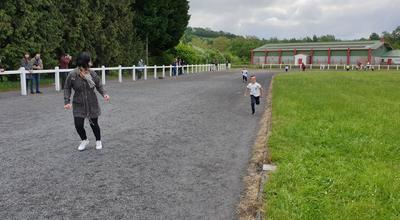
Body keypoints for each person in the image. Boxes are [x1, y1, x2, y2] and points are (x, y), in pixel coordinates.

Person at [64, 52, 110, 151]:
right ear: (85, 62)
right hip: (78, 103)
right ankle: (84, 140)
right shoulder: (73, 74)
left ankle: (98, 141)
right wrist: (67, 101)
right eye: (89, 60)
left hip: (91, 102)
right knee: (78, 125)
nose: (91, 62)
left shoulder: (92, 74)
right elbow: (67, 88)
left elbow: (99, 85)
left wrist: (104, 94)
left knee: (94, 124)